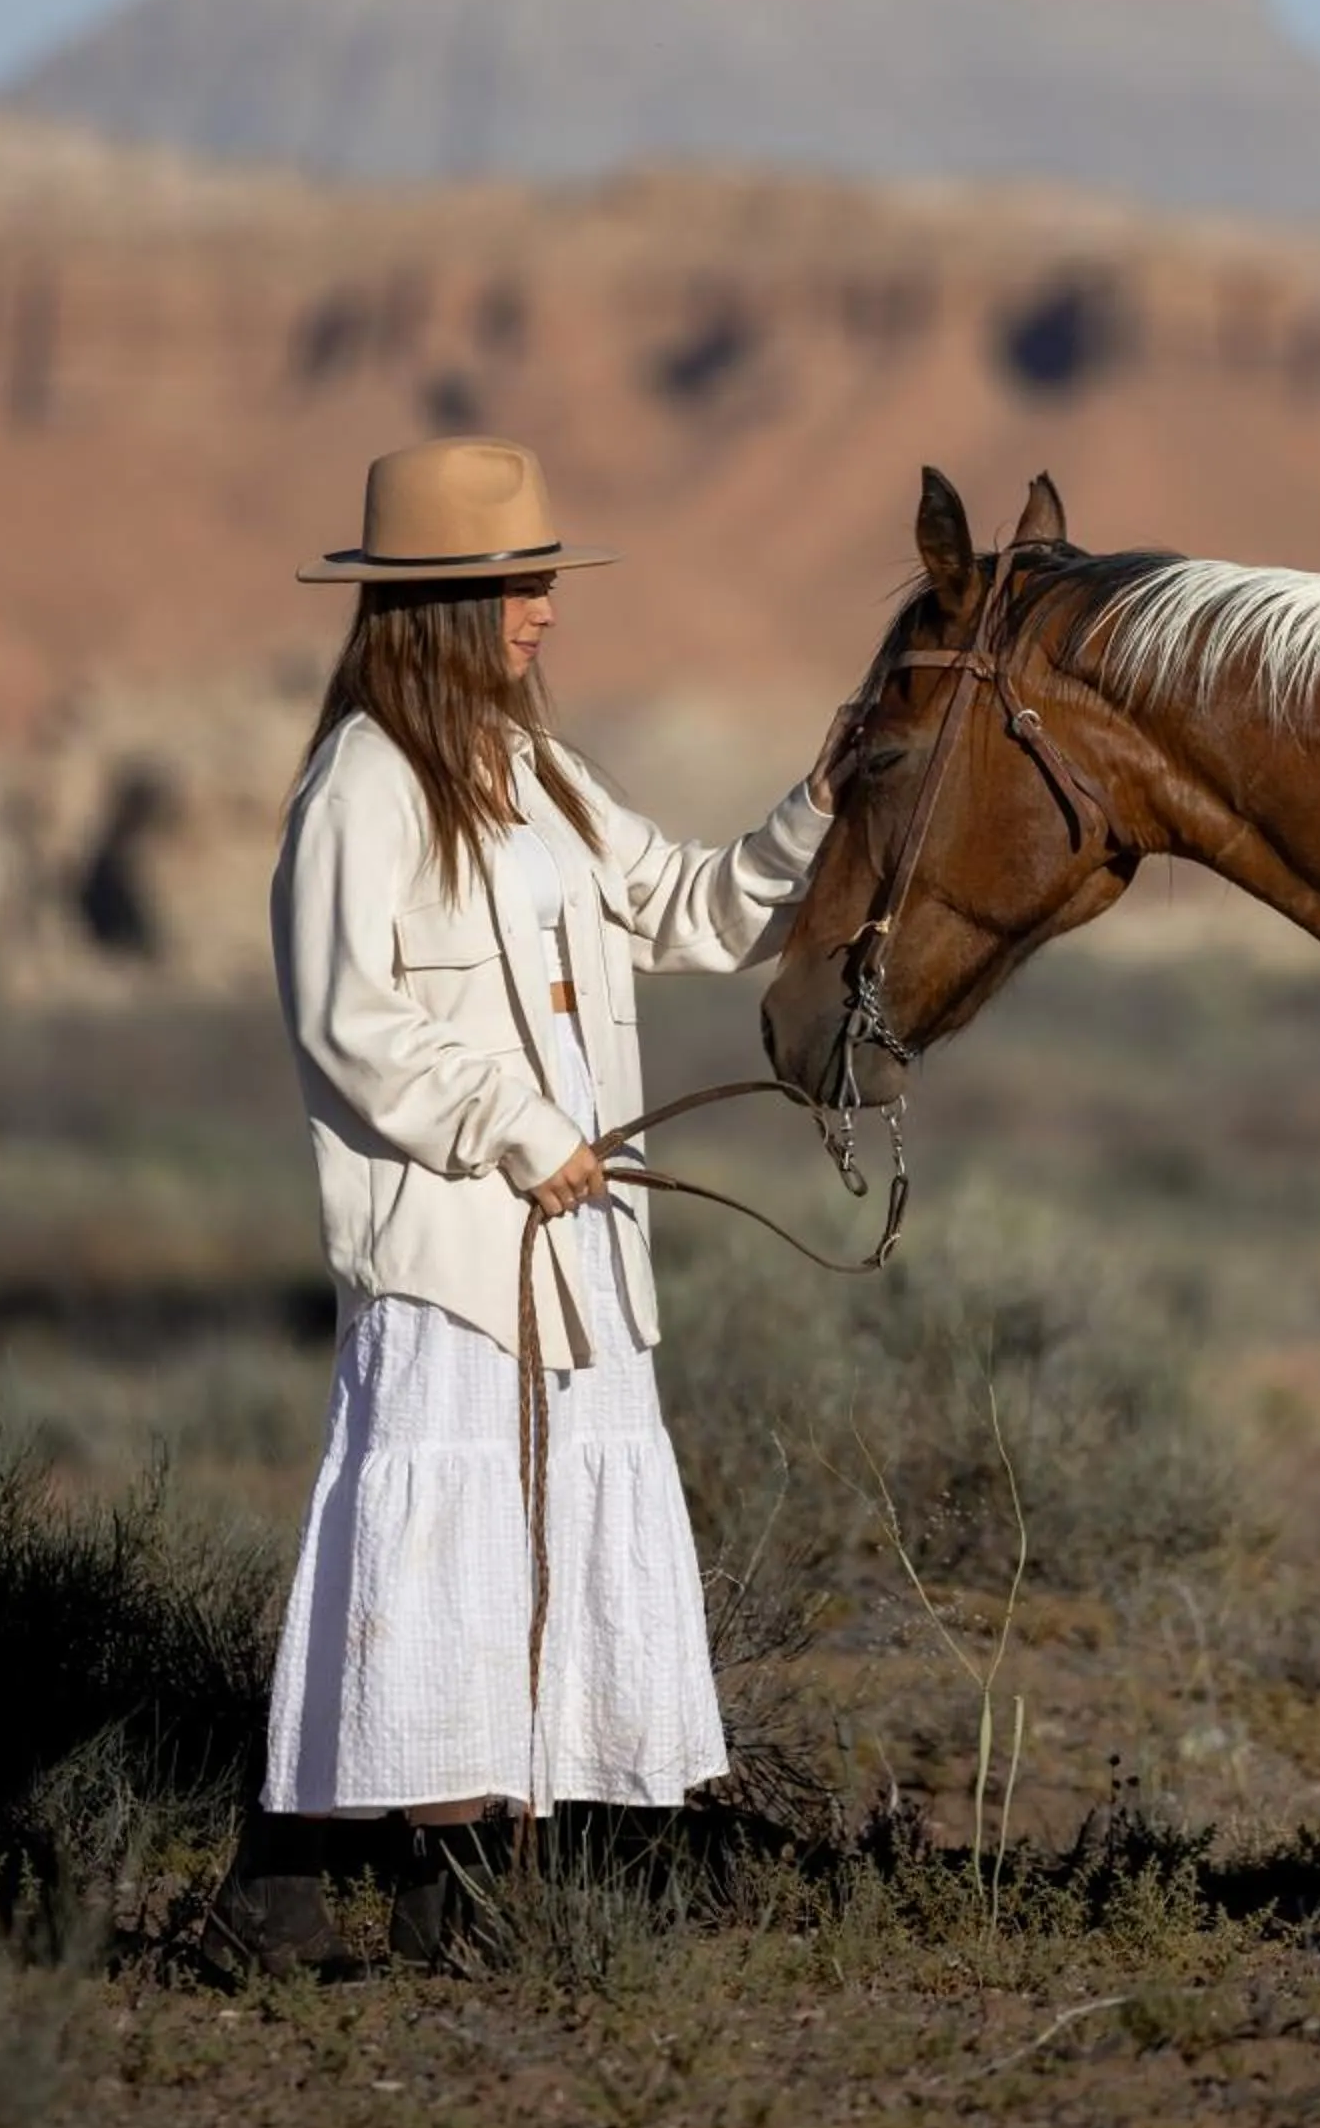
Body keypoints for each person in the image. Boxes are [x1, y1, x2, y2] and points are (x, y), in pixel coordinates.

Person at [205, 437, 843, 1975]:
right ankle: (345, 1888)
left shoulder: (540, 772)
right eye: (522, 584)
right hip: (451, 1244)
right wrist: (519, 1127)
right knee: (435, 1548)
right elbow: (351, 1020)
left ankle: (405, 1892)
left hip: (577, 1248)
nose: (549, 608)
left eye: (546, 579)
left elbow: (689, 906)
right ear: (444, 605)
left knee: (524, 1548)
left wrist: (822, 806)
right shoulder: (358, 787)